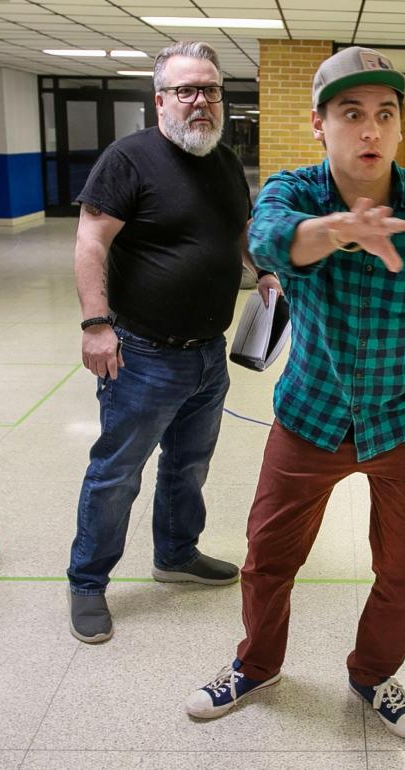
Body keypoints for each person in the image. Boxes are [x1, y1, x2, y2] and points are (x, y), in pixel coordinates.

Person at [185, 47, 405, 739]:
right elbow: (267, 243)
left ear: (398, 128)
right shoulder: (291, 193)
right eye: (351, 114)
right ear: (319, 123)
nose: (369, 130)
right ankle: (258, 662)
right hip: (311, 415)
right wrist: (338, 230)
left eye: (384, 115)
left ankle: (372, 672)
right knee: (268, 556)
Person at [67, 41, 281, 644]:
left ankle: (177, 555)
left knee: (188, 464)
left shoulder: (222, 161)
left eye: (210, 90)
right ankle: (87, 582)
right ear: (159, 99)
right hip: (142, 353)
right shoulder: (128, 159)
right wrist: (95, 325)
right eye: (185, 90)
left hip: (208, 354)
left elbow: (237, 232)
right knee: (117, 474)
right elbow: (91, 243)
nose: (200, 102)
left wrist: (261, 268)